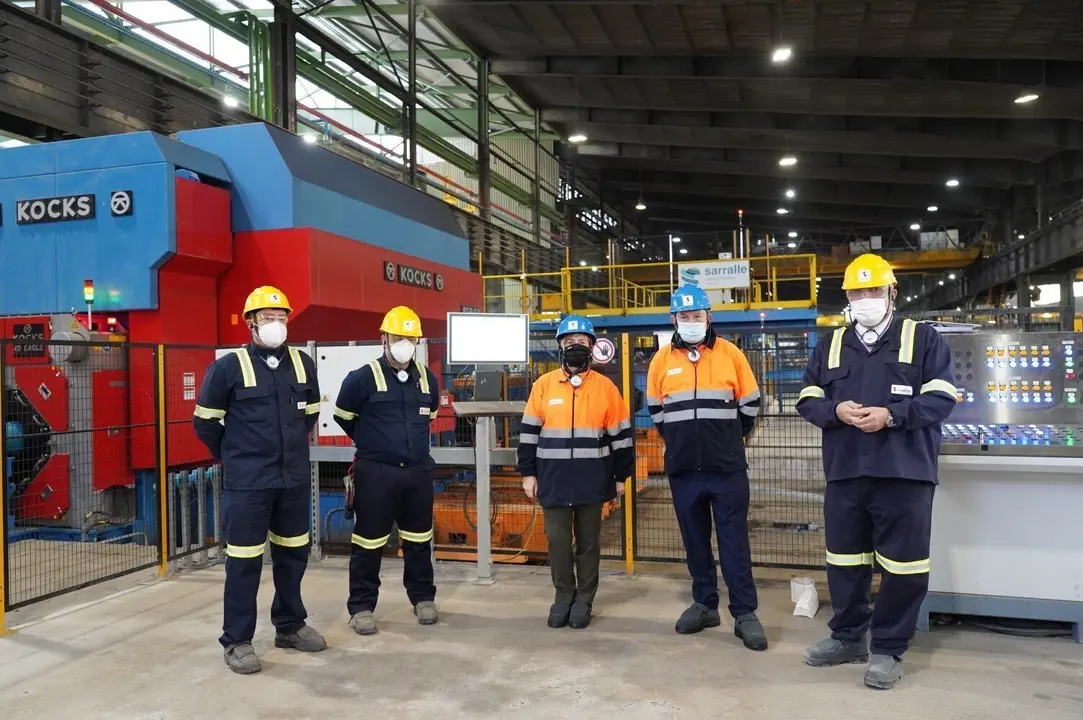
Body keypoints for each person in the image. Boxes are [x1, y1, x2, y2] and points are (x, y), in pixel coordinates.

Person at [795, 253, 956, 690]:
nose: (865, 298)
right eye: (857, 291)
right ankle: (848, 637)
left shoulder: (923, 339)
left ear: (892, 293)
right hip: (846, 471)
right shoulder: (830, 344)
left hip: (904, 472)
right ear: (847, 296)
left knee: (903, 566)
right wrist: (835, 410)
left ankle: (888, 648)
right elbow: (807, 397)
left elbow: (942, 397)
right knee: (845, 560)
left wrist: (893, 414)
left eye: (874, 290)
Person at [192, 285, 326, 675]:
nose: (276, 324)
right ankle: (237, 641)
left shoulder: (303, 363)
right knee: (244, 562)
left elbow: (310, 416)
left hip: (292, 481)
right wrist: (235, 455)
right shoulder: (228, 368)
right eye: (268, 318)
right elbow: (205, 422)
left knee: (293, 555)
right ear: (250, 322)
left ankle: (289, 625)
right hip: (248, 484)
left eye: (281, 317)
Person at [645, 283, 767, 651]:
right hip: (684, 470)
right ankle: (705, 604)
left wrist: (728, 439)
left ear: (708, 317)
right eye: (684, 316)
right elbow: (657, 411)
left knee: (734, 542)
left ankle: (744, 612)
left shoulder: (731, 354)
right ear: (674, 319)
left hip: (727, 469)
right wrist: (682, 441)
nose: (691, 321)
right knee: (695, 542)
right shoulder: (660, 361)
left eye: (696, 315)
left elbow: (750, 405)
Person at [516, 315, 633, 629]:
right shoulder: (543, 386)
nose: (575, 347)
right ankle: (563, 596)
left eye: (581, 342)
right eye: (569, 342)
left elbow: (622, 437)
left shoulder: (606, 388)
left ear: (592, 346)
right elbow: (528, 435)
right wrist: (528, 474)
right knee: (557, 541)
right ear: (560, 347)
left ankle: (584, 598)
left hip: (592, 479)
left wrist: (621, 477)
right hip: (552, 479)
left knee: (588, 542)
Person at [332, 306, 440, 635]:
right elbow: (343, 416)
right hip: (376, 474)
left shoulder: (427, 379)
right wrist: (375, 444)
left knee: (419, 539)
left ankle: (423, 597)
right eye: (397, 338)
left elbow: (431, 416)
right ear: (384, 339)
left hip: (417, 474)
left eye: (411, 338)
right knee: (368, 543)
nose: (404, 344)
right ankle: (361, 607)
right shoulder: (362, 378)